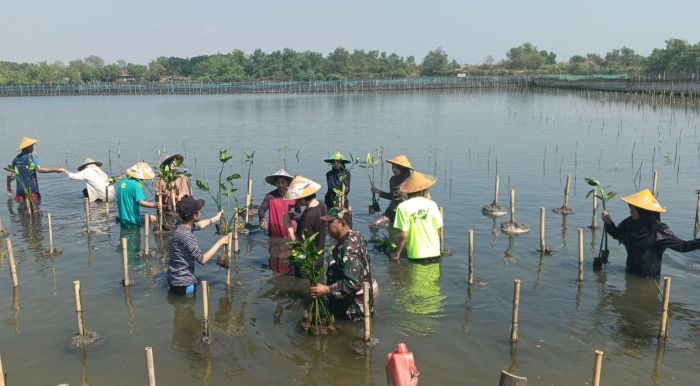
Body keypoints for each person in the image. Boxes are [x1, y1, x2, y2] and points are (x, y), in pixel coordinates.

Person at [602, 189, 700, 277]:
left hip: (650, 279)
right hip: (630, 274)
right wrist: (609, 222)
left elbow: (683, 246)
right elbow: (617, 234)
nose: (631, 211)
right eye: (631, 207)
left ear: (644, 211)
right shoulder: (629, 223)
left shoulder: (658, 229)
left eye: (635, 209)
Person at [310, 207, 373, 321]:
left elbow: (353, 283)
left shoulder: (350, 249)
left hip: (353, 311)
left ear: (342, 225)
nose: (327, 226)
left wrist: (327, 289)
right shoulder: (355, 235)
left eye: (330, 222)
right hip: (348, 304)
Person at [167, 196, 228, 295]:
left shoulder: (179, 227)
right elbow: (202, 260)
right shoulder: (186, 235)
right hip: (184, 284)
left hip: (173, 278)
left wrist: (216, 218)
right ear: (194, 216)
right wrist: (220, 243)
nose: (201, 212)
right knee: (187, 309)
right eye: (200, 211)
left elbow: (200, 225)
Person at [391, 171, 443, 261]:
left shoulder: (403, 207)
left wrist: (397, 253)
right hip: (435, 253)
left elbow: (403, 235)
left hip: (417, 255)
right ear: (423, 190)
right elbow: (438, 230)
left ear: (408, 191)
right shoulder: (432, 204)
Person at [258, 169, 300, 275]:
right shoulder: (270, 196)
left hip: (290, 232)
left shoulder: (294, 195)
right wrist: (262, 218)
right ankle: (276, 273)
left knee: (290, 258)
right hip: (275, 231)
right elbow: (262, 209)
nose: (281, 185)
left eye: (283, 182)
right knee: (275, 257)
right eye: (278, 183)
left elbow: (299, 212)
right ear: (275, 183)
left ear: (287, 183)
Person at [6, 136, 64, 202]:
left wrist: (8, 187)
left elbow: (9, 174)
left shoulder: (15, 159)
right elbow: (39, 170)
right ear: (27, 147)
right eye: (32, 146)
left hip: (20, 191)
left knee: (22, 210)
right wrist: (56, 170)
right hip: (31, 190)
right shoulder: (30, 158)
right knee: (35, 210)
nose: (33, 148)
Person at [284, 176, 327, 250]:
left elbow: (300, 245)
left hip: (309, 260)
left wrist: (288, 225)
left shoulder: (307, 217)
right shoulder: (321, 204)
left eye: (297, 199)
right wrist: (299, 218)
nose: (296, 201)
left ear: (304, 197)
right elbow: (313, 225)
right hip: (319, 253)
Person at [370, 154, 413, 227]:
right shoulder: (393, 179)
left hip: (405, 213)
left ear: (402, 168)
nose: (393, 170)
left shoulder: (411, 181)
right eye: (392, 167)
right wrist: (379, 191)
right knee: (373, 225)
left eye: (395, 168)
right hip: (391, 211)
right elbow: (392, 196)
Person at [116, 161, 161, 228]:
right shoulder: (137, 184)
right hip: (133, 220)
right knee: (156, 219)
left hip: (122, 219)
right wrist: (154, 205)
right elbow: (141, 202)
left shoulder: (121, 182)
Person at [155, 154, 191, 230]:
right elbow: (157, 194)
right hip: (165, 207)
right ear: (167, 165)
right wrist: (167, 196)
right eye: (173, 163)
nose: (175, 165)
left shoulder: (181, 177)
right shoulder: (160, 178)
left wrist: (178, 197)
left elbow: (184, 192)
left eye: (177, 163)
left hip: (179, 206)